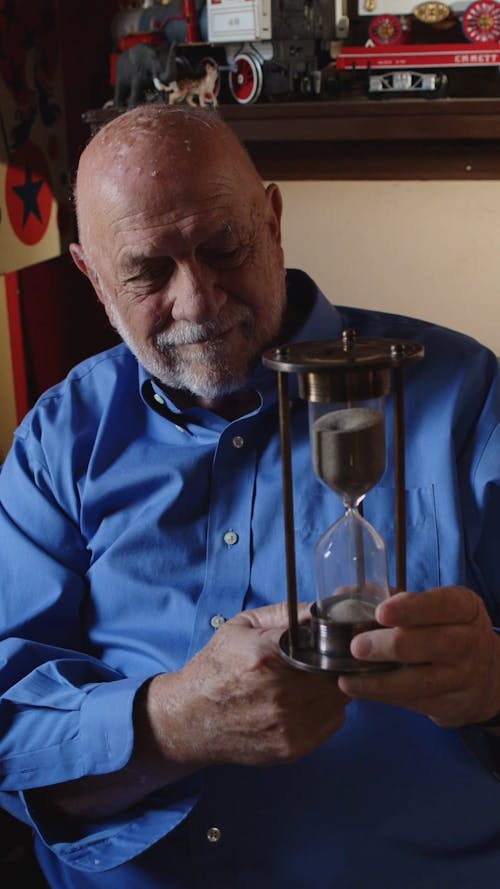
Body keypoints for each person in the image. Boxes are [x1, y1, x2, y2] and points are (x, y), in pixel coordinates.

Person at [0, 104, 499, 889]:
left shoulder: (465, 396)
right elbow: (8, 731)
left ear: (270, 219)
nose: (197, 302)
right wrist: (171, 724)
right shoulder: (58, 440)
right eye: (147, 273)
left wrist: (492, 681)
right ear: (93, 277)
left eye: (222, 247)